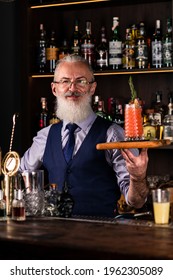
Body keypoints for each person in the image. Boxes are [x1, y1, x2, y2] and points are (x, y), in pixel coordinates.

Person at [19, 54, 149, 217]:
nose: (72, 89)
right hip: (52, 235)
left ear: (92, 88)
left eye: (80, 81)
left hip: (99, 234)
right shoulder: (45, 137)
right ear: (54, 89)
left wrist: (138, 178)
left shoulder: (113, 134)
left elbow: (137, 201)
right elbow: (19, 174)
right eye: (65, 81)